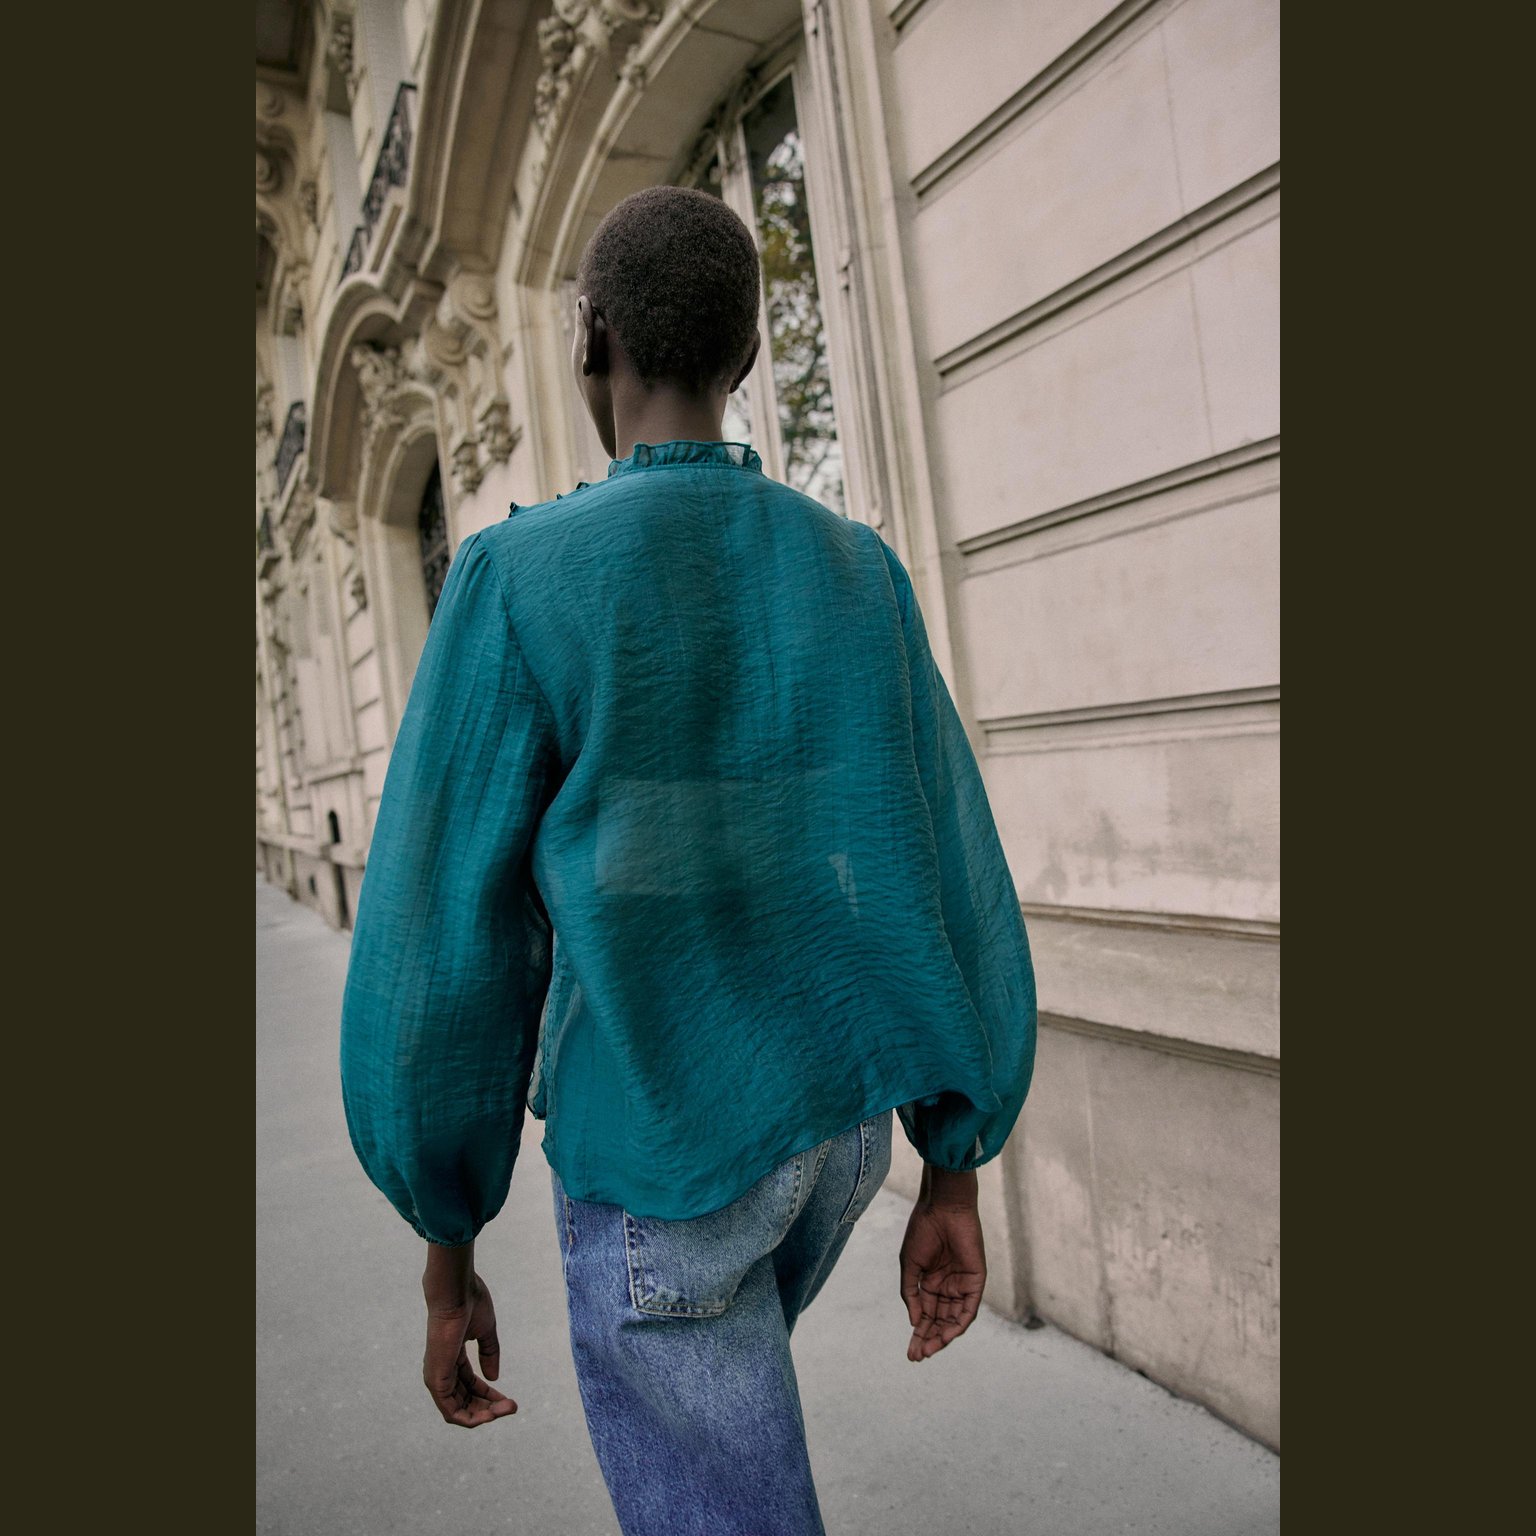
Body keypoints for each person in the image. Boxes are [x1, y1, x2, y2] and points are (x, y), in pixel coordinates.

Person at [338, 184, 1037, 1535]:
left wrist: (446, 1247)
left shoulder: (517, 578)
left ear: (592, 338)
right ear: (750, 352)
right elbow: (952, 866)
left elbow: (441, 948)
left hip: (664, 1145)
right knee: (738, 1429)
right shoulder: (858, 571)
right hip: (833, 1136)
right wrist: (952, 1167)